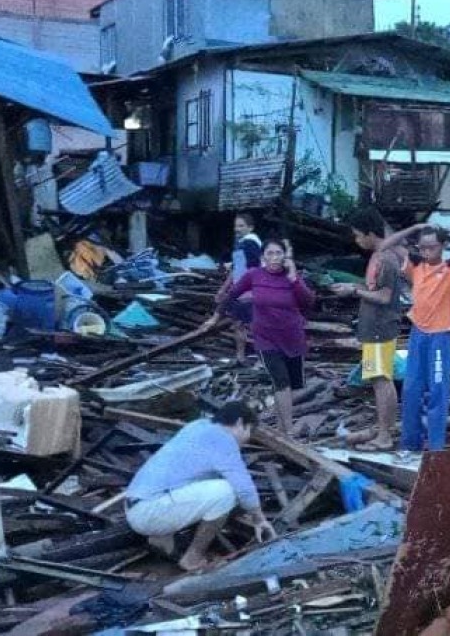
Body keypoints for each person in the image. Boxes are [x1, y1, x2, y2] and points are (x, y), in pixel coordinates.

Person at [125, 401, 277, 571]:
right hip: (150, 512)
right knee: (227, 491)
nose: (248, 438)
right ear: (240, 423)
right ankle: (193, 558)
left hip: (135, 505)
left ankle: (161, 538)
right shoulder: (224, 440)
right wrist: (259, 519)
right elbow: (244, 487)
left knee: (199, 483)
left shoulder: (197, 426)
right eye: (250, 430)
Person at [379, 223, 450, 453]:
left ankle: (435, 447)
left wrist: (447, 231)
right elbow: (386, 245)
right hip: (418, 333)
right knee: (411, 390)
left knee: (437, 392)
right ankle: (410, 443)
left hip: (439, 336)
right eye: (422, 248)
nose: (426, 252)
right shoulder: (416, 267)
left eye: (431, 247)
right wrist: (415, 227)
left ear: (441, 247)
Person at [218, 240, 314, 435]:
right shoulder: (254, 275)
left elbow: (308, 301)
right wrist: (215, 317)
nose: (274, 258)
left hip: (292, 337)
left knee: (293, 386)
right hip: (265, 338)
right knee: (281, 382)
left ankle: (281, 426)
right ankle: (289, 430)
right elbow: (232, 294)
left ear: (285, 256)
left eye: (278, 253)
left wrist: (294, 277)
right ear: (263, 257)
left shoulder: (293, 278)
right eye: (269, 254)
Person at [330, 208, 402, 451]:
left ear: (371, 233)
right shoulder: (378, 256)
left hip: (381, 328)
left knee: (382, 380)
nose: (357, 240)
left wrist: (353, 291)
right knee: (377, 379)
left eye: (358, 235)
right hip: (373, 329)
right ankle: (383, 431)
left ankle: (385, 436)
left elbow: (383, 296)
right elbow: (373, 287)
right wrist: (355, 285)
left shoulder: (386, 260)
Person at [216, 213, 262, 365]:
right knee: (239, 324)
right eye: (236, 225)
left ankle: (262, 359)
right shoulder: (240, 244)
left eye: (242, 226)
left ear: (251, 228)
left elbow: (254, 269)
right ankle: (240, 357)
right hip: (239, 291)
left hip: (250, 291)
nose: (238, 229)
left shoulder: (251, 243)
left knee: (254, 325)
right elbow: (236, 270)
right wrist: (224, 288)